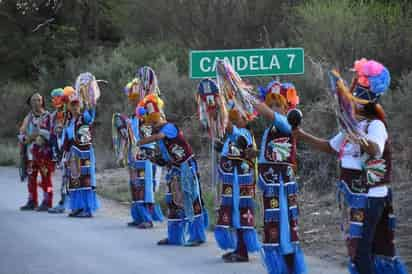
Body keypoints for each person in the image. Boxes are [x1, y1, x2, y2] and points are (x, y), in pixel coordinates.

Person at [293, 59, 407, 274]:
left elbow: (375, 149)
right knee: (361, 248)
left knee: (362, 249)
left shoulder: (375, 125)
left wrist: (356, 135)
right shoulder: (353, 126)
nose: (353, 100)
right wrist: (302, 136)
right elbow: (330, 146)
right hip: (356, 196)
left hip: (371, 196)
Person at [136, 95, 208, 246]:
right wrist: (153, 157)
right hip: (174, 171)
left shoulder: (169, 127)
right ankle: (174, 236)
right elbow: (165, 158)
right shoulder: (161, 137)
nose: (154, 125)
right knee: (174, 203)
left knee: (191, 199)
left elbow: (159, 136)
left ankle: (197, 236)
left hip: (186, 168)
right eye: (152, 123)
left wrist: (142, 141)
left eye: (154, 122)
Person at [254, 81, 306, 273]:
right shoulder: (271, 129)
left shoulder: (285, 124)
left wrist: (249, 98)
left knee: (284, 225)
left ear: (287, 107)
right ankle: (282, 266)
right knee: (275, 224)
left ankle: (289, 266)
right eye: (271, 104)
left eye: (278, 105)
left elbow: (268, 114)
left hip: (282, 185)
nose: (274, 108)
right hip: (272, 184)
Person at [214, 105, 260, 263]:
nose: (233, 121)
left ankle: (243, 251)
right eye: (232, 118)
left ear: (246, 119)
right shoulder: (232, 136)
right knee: (234, 212)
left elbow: (230, 129)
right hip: (233, 181)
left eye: (236, 118)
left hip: (241, 181)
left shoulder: (244, 134)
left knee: (240, 212)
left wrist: (220, 109)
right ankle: (238, 248)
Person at [18, 93, 54, 211]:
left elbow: (51, 134)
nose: (36, 102)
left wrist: (38, 134)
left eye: (38, 100)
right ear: (30, 103)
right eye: (33, 100)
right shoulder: (28, 118)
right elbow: (21, 134)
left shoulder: (48, 116)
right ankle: (32, 200)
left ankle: (47, 201)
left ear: (42, 101)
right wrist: (25, 138)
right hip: (30, 154)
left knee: (46, 179)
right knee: (31, 178)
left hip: (44, 154)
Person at [64, 96, 99, 217]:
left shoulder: (84, 117)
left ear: (80, 106)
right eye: (72, 105)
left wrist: (90, 98)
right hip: (74, 154)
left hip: (85, 153)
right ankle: (77, 207)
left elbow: (91, 114)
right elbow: (67, 139)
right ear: (69, 107)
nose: (74, 107)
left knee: (85, 180)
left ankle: (87, 209)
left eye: (76, 105)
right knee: (75, 181)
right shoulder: (69, 121)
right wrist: (65, 154)